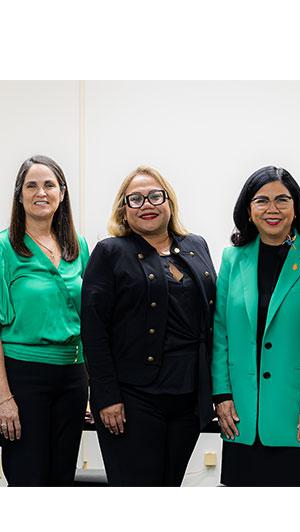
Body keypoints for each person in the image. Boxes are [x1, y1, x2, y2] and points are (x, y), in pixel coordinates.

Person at [82, 166, 216, 486]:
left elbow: (212, 317)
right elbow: (93, 330)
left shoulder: (196, 245)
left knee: (170, 484)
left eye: (155, 196)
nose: (147, 204)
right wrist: (106, 396)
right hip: (132, 398)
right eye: (136, 199)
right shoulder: (110, 252)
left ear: (169, 202)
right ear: (124, 210)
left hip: (187, 396)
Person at [0, 155, 89, 486]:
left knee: (62, 478)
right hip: (23, 377)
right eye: (31, 185)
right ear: (19, 195)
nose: (41, 192)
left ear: (62, 193)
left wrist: (92, 385)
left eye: (49, 185)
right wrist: (3, 398)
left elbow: (89, 319)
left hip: (73, 377)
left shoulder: (78, 247)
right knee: (28, 477)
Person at [212, 166, 300, 487]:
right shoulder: (232, 259)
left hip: (299, 415)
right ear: (248, 210)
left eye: (282, 199)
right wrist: (222, 395)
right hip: (242, 415)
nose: (272, 209)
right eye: (261, 201)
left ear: (296, 207)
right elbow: (221, 333)